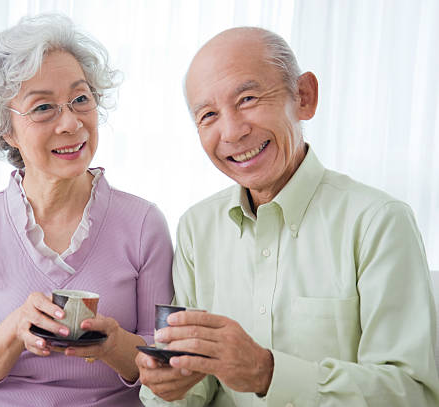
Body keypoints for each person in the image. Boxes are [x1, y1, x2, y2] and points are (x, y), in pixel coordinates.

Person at [137, 26, 439, 406]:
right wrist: (169, 386)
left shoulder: (379, 221)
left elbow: (413, 394)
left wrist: (268, 372)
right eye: (208, 114)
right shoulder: (197, 227)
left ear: (304, 97)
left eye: (247, 98)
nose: (231, 131)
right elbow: (195, 387)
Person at [0, 14, 173, 406]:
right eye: (43, 108)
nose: (70, 123)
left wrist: (113, 344)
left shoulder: (143, 224)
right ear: (7, 130)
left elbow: (165, 367)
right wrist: (16, 329)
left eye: (81, 99)